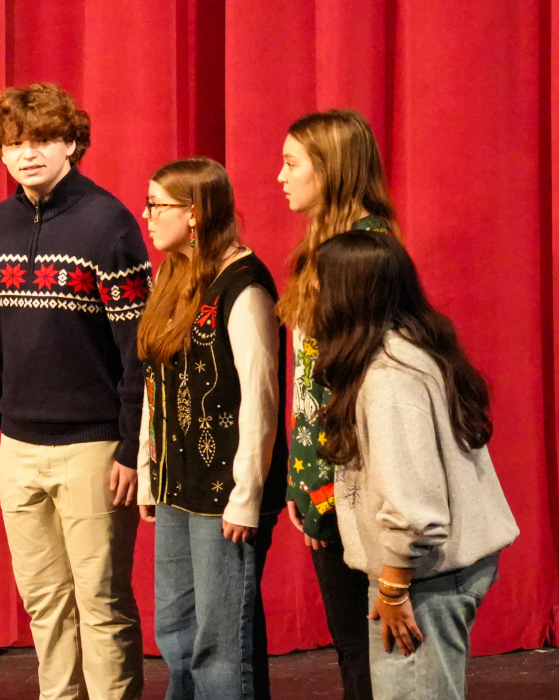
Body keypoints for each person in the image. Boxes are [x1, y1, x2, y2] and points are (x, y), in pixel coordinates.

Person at [0, 83, 148, 700]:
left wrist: (131, 446)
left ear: (73, 142)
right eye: (15, 143)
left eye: (43, 139)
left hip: (94, 448)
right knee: (44, 601)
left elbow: (137, 350)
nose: (29, 154)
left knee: (100, 601)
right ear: (0, 152)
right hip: (17, 445)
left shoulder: (109, 222)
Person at [307, 232, 517, 700]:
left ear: (348, 294)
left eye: (320, 282)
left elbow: (415, 508)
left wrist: (395, 586)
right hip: (427, 573)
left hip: (424, 577)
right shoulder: (406, 351)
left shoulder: (389, 378)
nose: (313, 293)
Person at [133, 158, 286, 699]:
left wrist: (247, 497)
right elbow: (157, 384)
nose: (146, 216)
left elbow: (260, 402)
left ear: (194, 215)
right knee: (175, 632)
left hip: (225, 493)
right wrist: (149, 472)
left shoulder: (244, 287)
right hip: (179, 486)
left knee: (220, 643)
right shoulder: (172, 274)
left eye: (158, 205)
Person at [274, 108, 399, 700]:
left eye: (292, 163)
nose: (281, 176)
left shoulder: (364, 252)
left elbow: (357, 381)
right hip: (319, 475)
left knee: (372, 643)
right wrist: (301, 479)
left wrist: (324, 484)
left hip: (354, 478)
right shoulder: (316, 247)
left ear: (331, 170)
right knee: (351, 642)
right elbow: (304, 379)